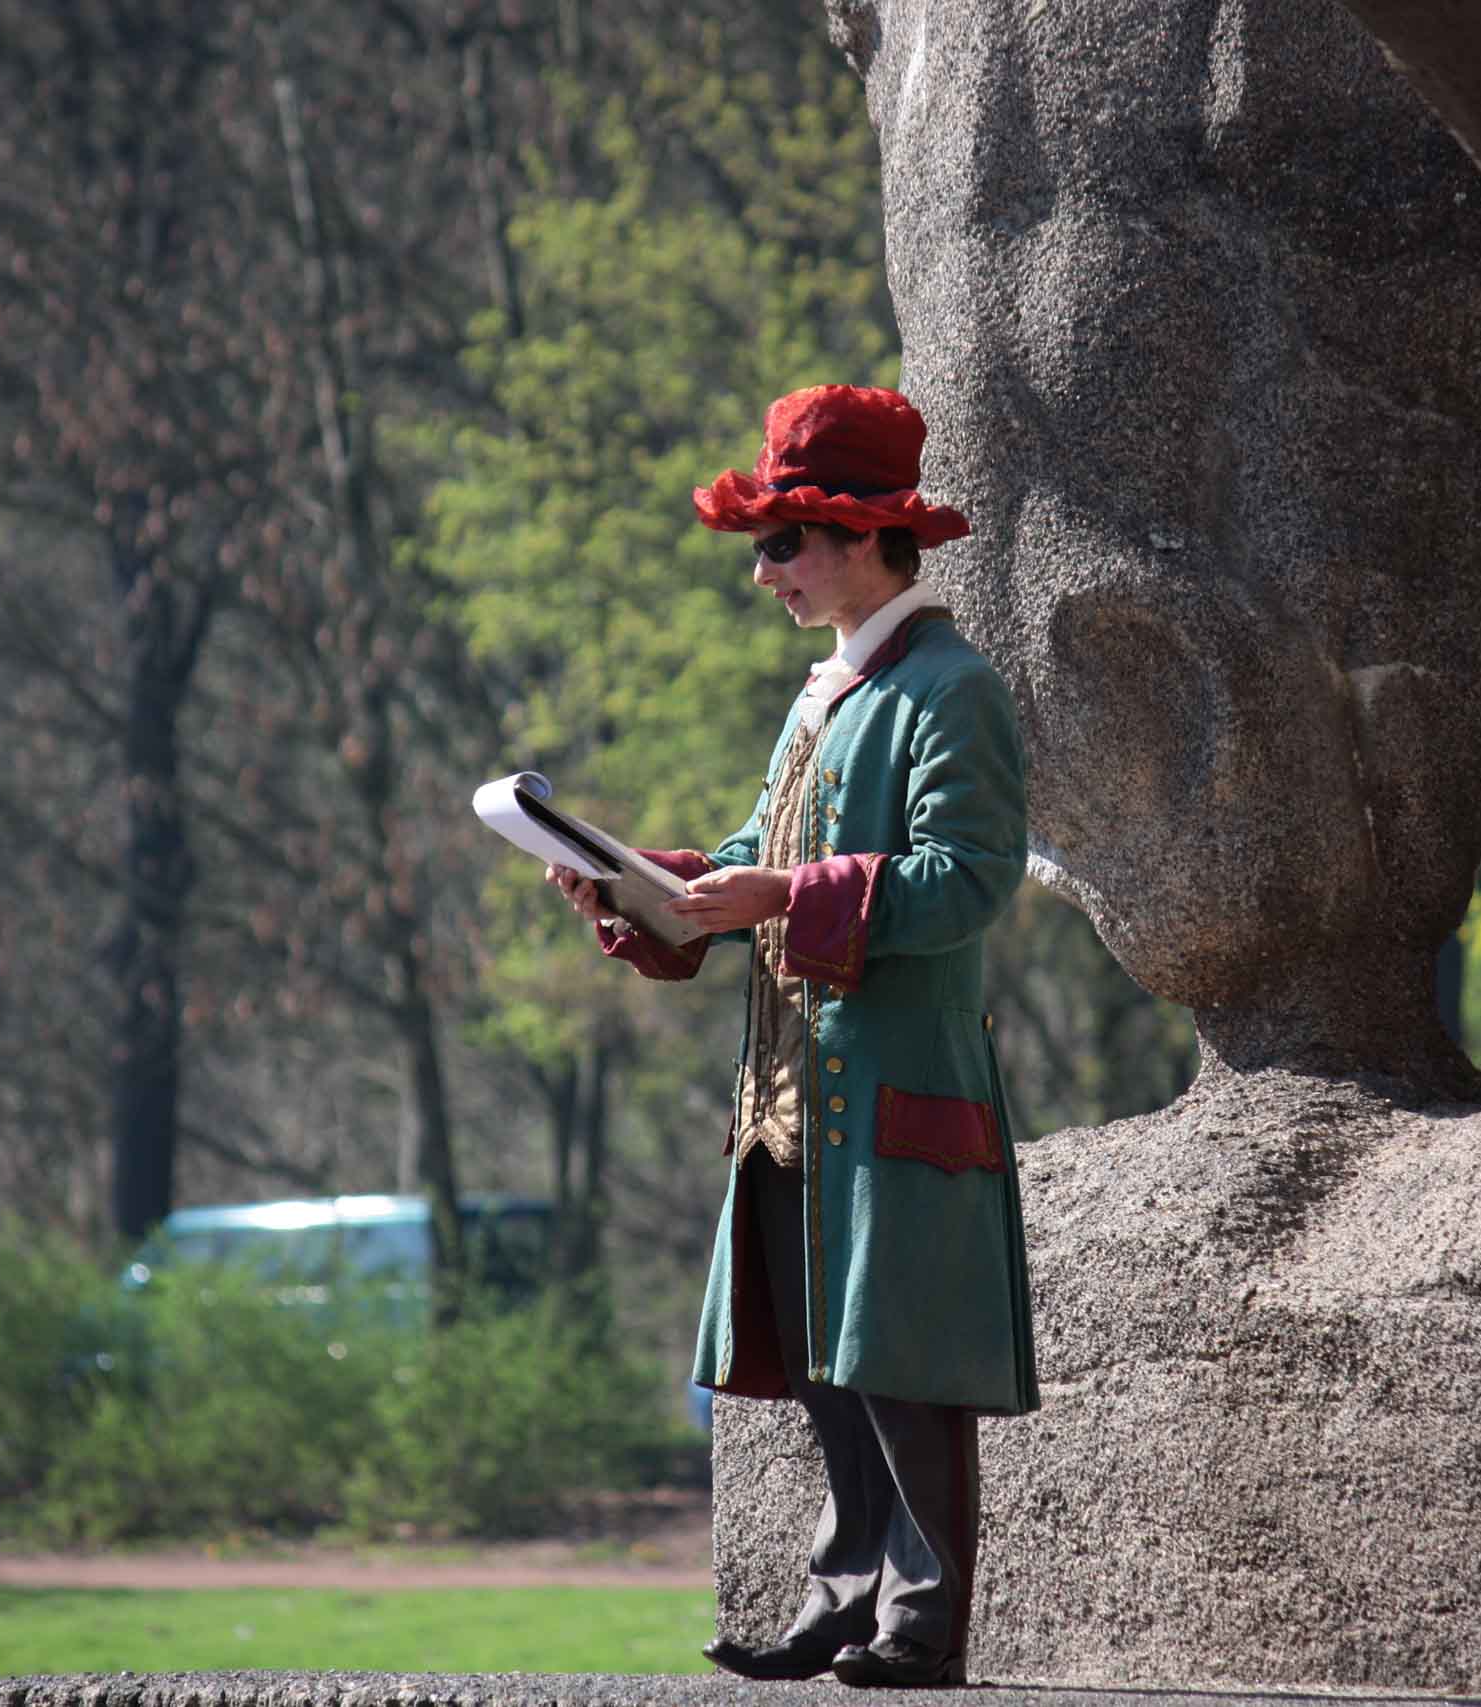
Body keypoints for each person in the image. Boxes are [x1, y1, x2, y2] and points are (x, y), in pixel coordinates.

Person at [546, 384, 1039, 1690]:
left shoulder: (953, 688)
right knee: (829, 1365)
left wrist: (781, 896)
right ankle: (850, 1596)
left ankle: (923, 1627)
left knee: (900, 1365)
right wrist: (638, 884)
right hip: (787, 1096)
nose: (763, 573)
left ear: (869, 538)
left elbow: (973, 879)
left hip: (896, 1090)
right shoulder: (826, 690)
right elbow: (758, 863)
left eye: (783, 544)